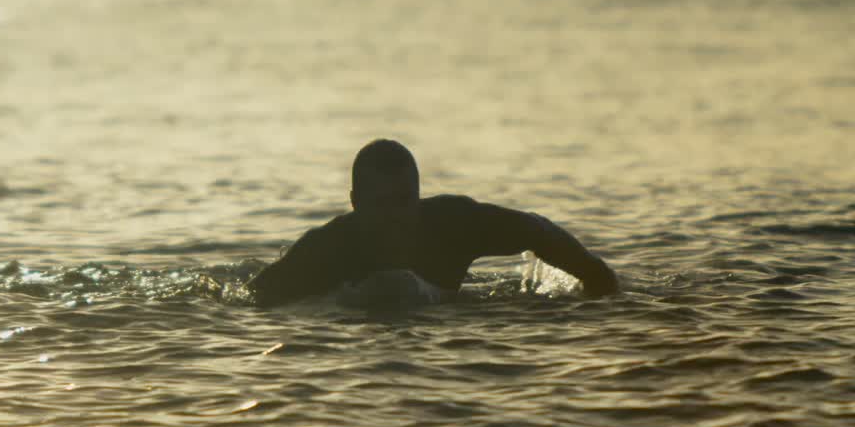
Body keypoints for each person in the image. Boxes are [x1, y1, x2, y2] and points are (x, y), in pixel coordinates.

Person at [247, 139, 619, 307]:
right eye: (381, 205)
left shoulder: (452, 224)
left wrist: (596, 276)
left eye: (405, 201)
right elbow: (258, 296)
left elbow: (538, 230)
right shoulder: (327, 248)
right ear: (356, 205)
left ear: (419, 196)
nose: (396, 216)